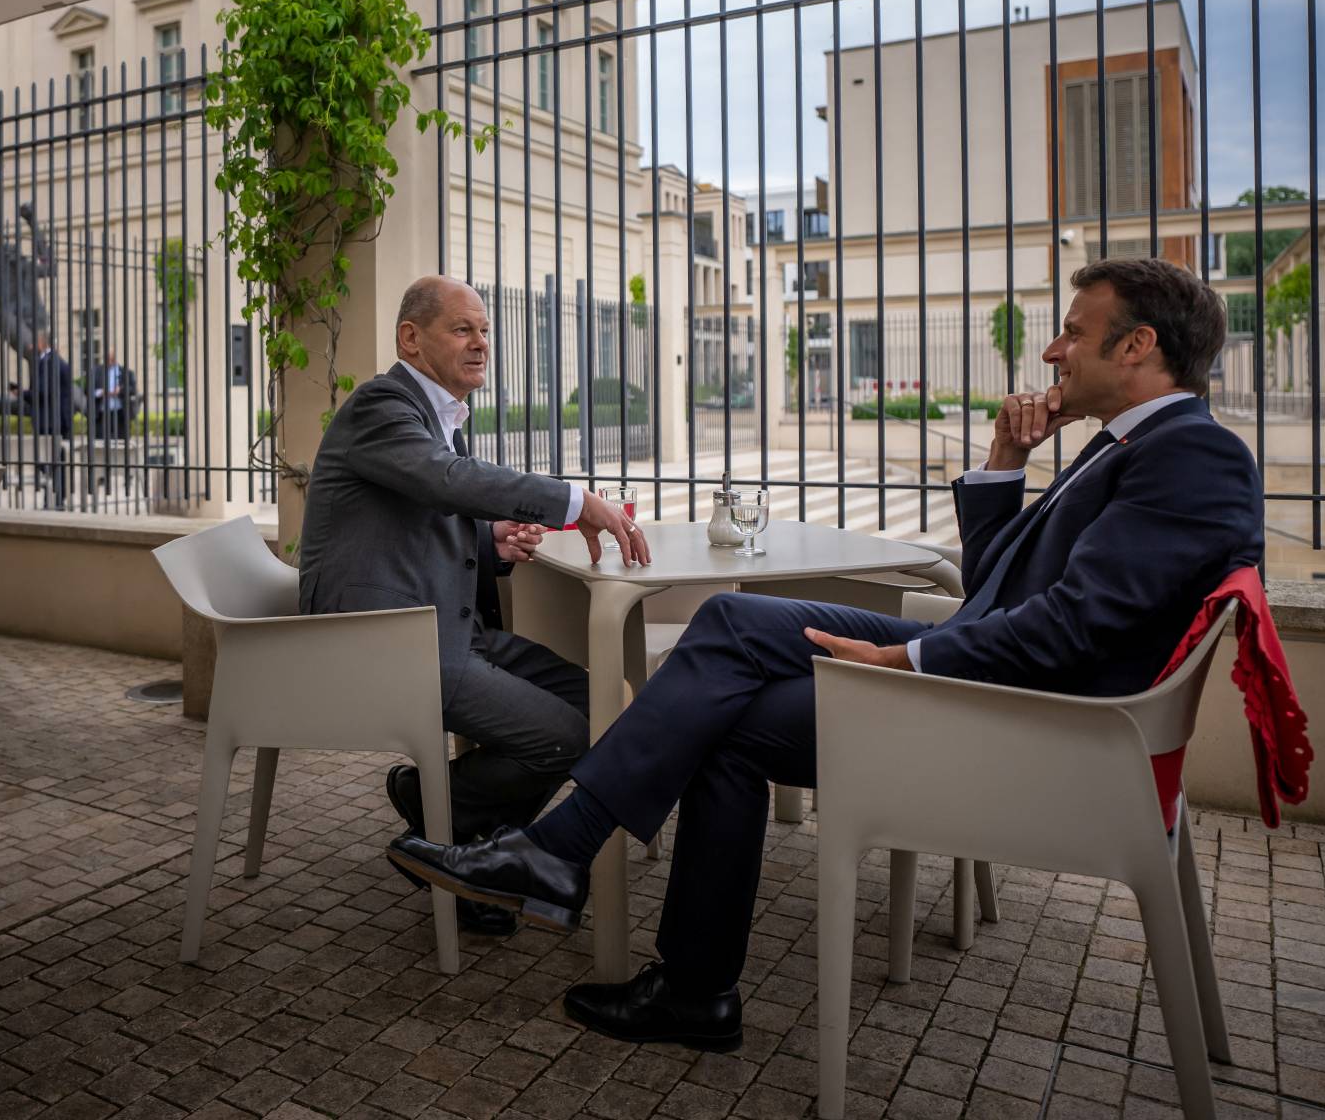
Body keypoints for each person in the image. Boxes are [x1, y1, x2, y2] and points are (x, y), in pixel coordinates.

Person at [389, 258, 1263, 1050]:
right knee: (731, 625)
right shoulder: (1127, 448)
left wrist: (907, 665)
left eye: (1074, 331)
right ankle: (574, 868)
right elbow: (995, 590)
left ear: (1139, 344)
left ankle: (628, 923)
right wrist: (1004, 461)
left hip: (1037, 726)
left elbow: (1072, 629)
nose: (1054, 353)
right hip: (999, 676)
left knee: (719, 723)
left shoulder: (1194, 456)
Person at [298, 276, 648, 936]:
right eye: (463, 329)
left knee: (598, 700)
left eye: (485, 330)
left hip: (444, 631)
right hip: (387, 642)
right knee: (567, 735)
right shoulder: (384, 406)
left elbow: (421, 520)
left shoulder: (435, 417)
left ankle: (448, 828)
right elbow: (447, 482)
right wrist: (576, 502)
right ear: (412, 337)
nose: (482, 342)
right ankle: (455, 838)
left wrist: (491, 543)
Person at [29, 333, 72, 507]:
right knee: (56, 462)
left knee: (50, 462)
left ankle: (55, 499)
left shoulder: (48, 362)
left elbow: (42, 392)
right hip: (58, 420)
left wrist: (23, 393)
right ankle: (56, 498)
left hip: (50, 422)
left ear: (41, 343)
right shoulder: (56, 361)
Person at [93, 354, 138, 441]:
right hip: (101, 414)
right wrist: (99, 392)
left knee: (121, 442)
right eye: (107, 359)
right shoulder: (96, 372)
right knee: (101, 442)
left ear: (114, 360)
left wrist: (120, 390)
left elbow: (133, 389)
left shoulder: (127, 373)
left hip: (120, 413)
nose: (109, 362)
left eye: (111, 360)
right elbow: (87, 389)